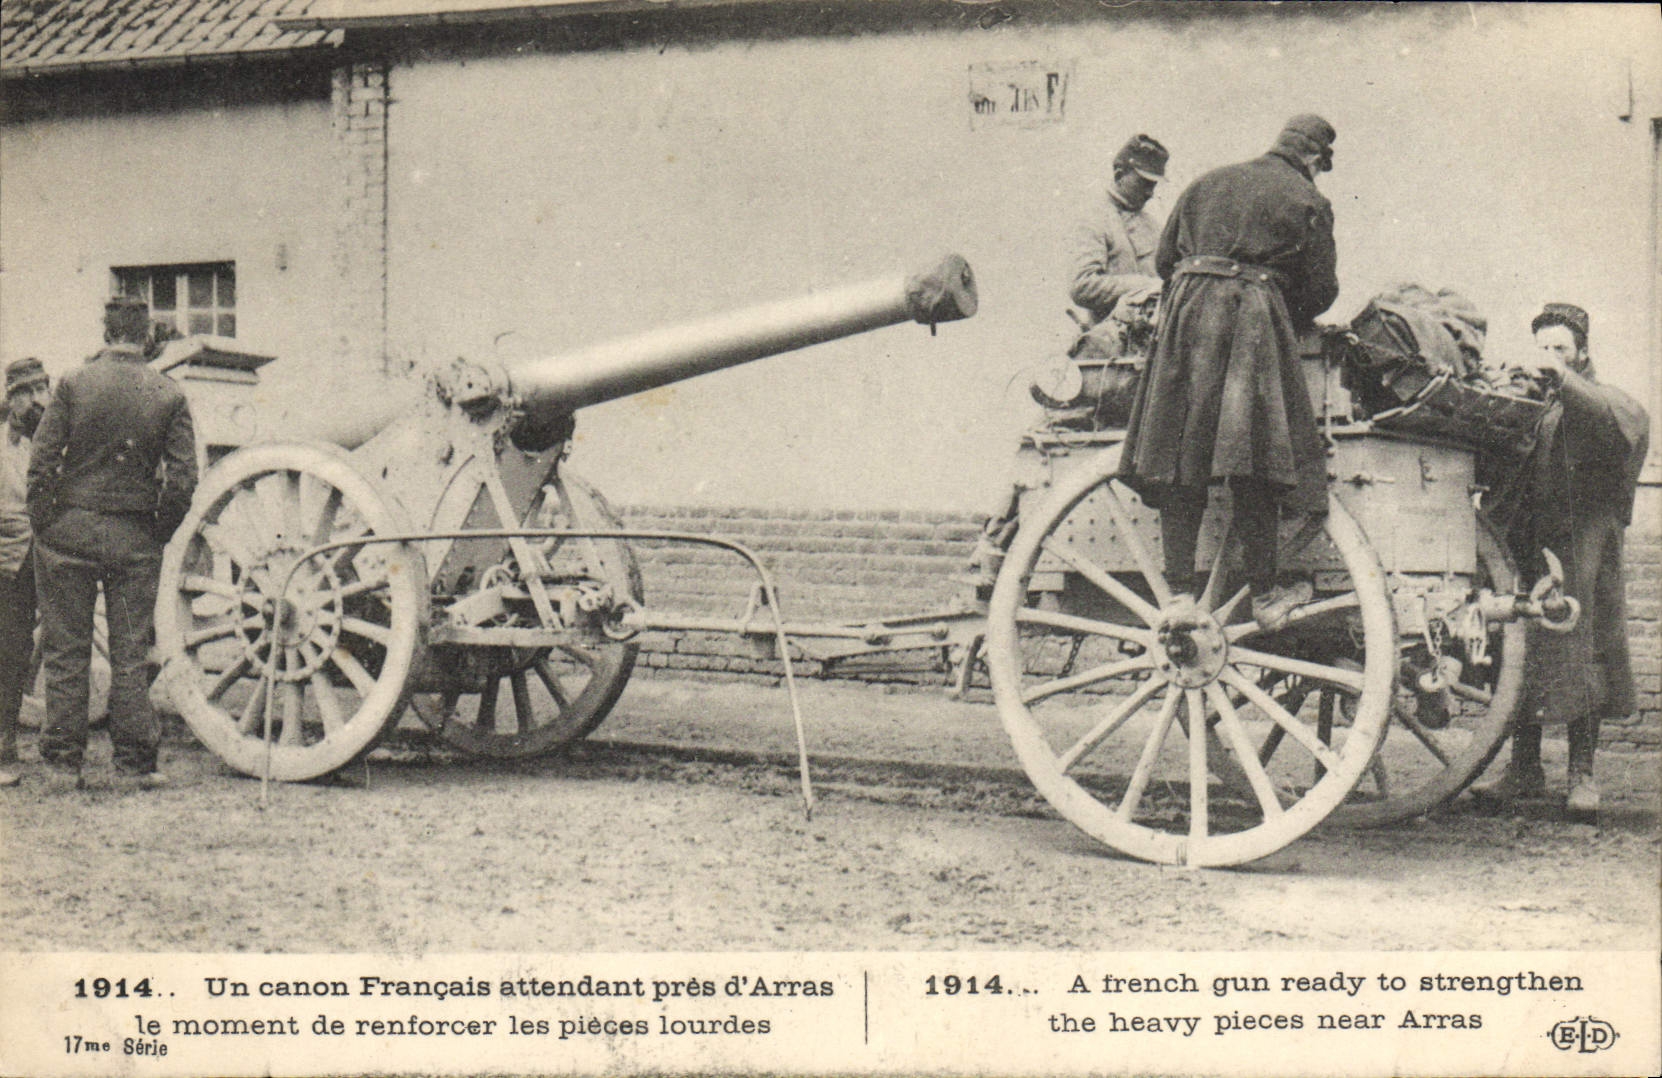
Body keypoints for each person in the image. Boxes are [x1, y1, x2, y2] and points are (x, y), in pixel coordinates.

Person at [1118, 114, 1338, 631]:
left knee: (1179, 453)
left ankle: (1178, 594)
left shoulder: (1206, 182)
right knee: (1256, 458)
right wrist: (1279, 308)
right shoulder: (1309, 200)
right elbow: (1320, 290)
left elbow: (1165, 261)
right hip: (1252, 318)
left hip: (1187, 315)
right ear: (1312, 158)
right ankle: (1264, 594)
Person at [1478, 303, 1648, 818]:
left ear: (1582, 352)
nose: (1550, 355)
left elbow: (1619, 427)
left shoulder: (1605, 401)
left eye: (1560, 347)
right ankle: (1524, 768)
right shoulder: (1535, 403)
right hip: (1530, 540)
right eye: (1543, 347)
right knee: (1521, 650)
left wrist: (1562, 378)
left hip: (1584, 546)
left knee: (1583, 651)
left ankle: (1582, 774)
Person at [29, 296, 197, 791]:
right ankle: (134, 765)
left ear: (106, 333)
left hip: (69, 532)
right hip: (134, 538)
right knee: (130, 653)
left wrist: (46, 523)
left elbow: (41, 464)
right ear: (146, 337)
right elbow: (183, 479)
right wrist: (157, 530)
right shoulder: (168, 393)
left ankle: (63, 766)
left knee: (65, 651)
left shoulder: (73, 383)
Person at [0, 358, 52, 788]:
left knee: (47, 646)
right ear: (11, 398)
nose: (37, 401)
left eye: (42, 389)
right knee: (9, 649)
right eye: (27, 392)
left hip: (48, 557)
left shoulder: (57, 441)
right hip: (7, 560)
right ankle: (2, 744)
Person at [1069, 134, 1169, 327]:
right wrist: (1144, 286)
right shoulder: (1094, 219)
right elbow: (1081, 285)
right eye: (1144, 183)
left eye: (1154, 185)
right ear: (1119, 174)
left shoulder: (1154, 226)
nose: (1150, 193)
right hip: (1111, 338)